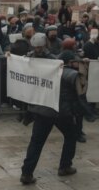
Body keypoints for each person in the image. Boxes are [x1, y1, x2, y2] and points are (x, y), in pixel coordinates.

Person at [20, 49, 79, 185]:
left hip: (43, 110)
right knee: (71, 136)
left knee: (36, 142)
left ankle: (26, 173)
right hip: (60, 112)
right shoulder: (69, 73)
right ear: (69, 62)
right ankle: (65, 166)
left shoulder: (46, 71)